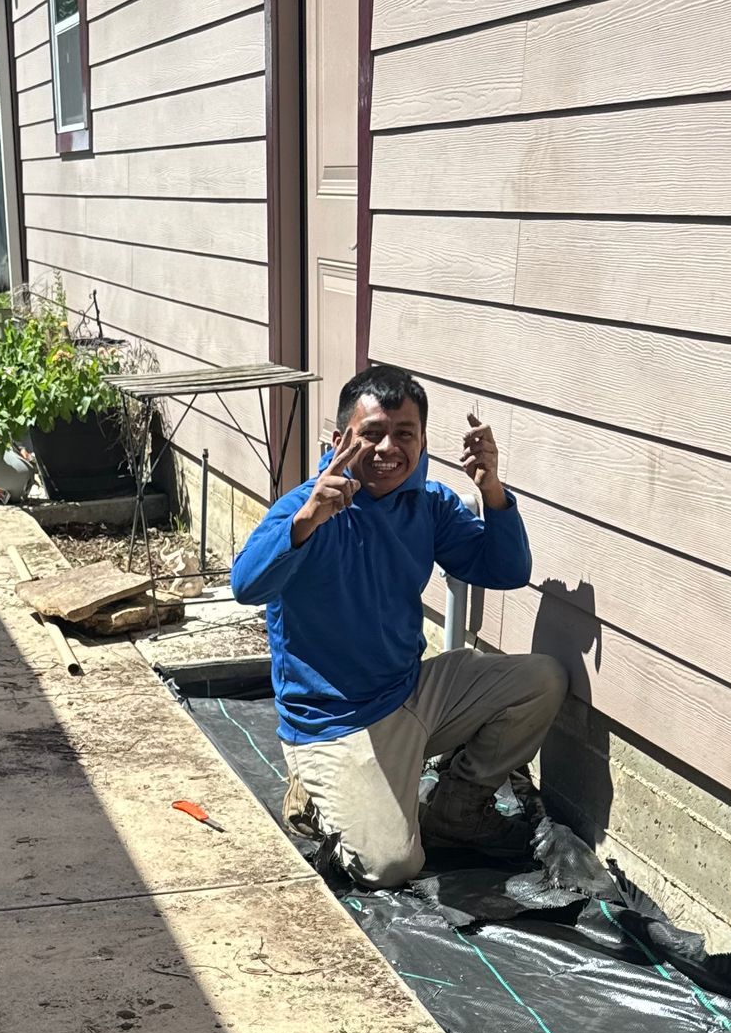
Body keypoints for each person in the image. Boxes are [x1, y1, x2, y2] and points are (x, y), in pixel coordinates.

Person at [230, 360, 566, 886]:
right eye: (372, 434)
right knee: (391, 866)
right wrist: (303, 524)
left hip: (410, 694)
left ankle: (456, 813)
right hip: (334, 724)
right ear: (341, 439)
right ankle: (311, 795)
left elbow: (506, 570)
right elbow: (246, 585)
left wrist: (492, 491)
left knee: (542, 679)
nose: (389, 449)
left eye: (404, 433)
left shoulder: (428, 504)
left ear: (423, 438)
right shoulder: (308, 506)